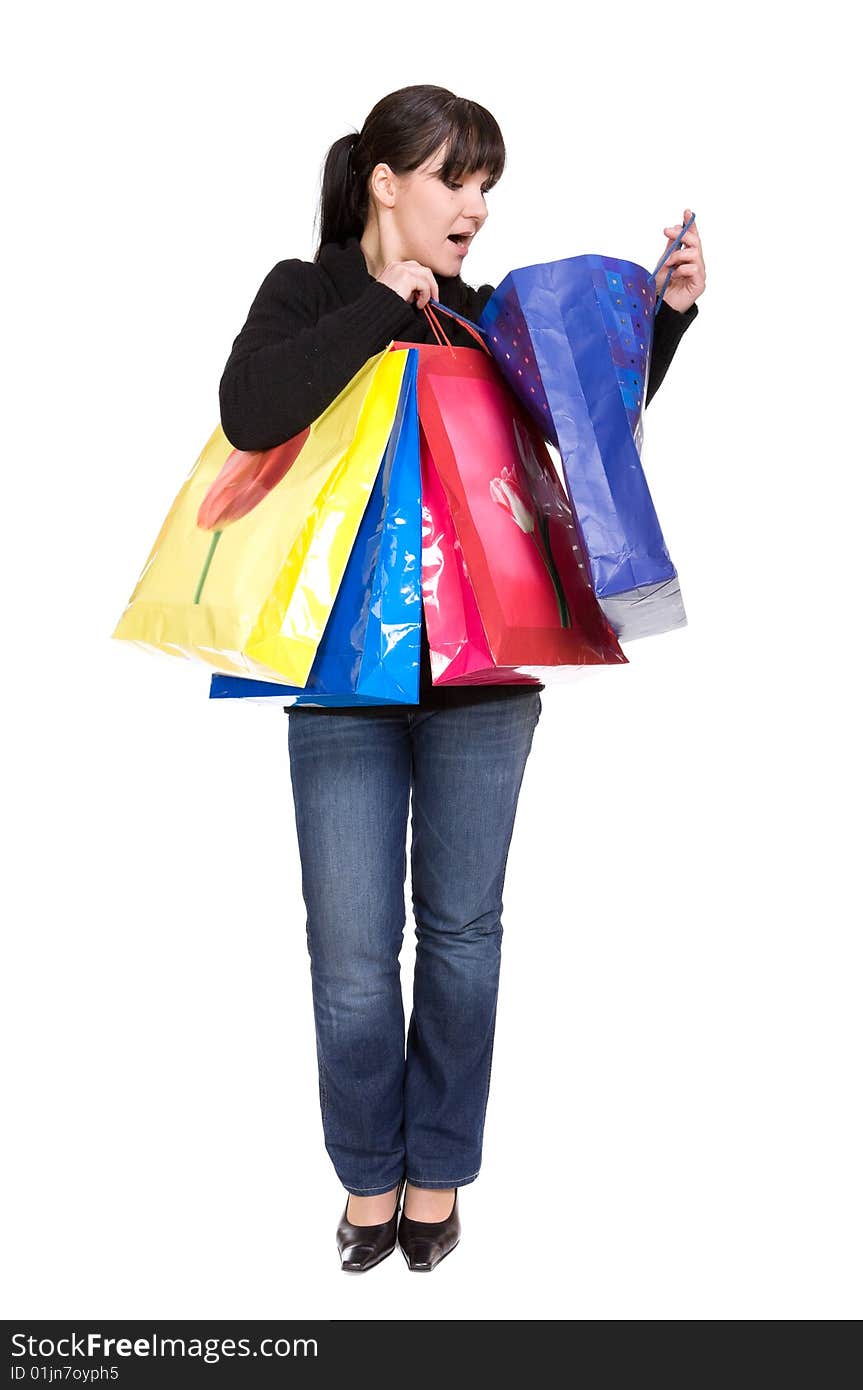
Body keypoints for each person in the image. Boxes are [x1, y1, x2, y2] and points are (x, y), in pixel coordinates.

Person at [219, 84, 704, 1273]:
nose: (475, 207)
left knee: (463, 933)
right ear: (386, 182)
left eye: (488, 185)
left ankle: (435, 1170)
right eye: (455, 179)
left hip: (483, 682)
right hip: (340, 681)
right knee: (346, 950)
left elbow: (585, 424)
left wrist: (670, 319)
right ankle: (366, 1175)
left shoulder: (481, 317)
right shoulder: (310, 290)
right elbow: (249, 411)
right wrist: (380, 307)